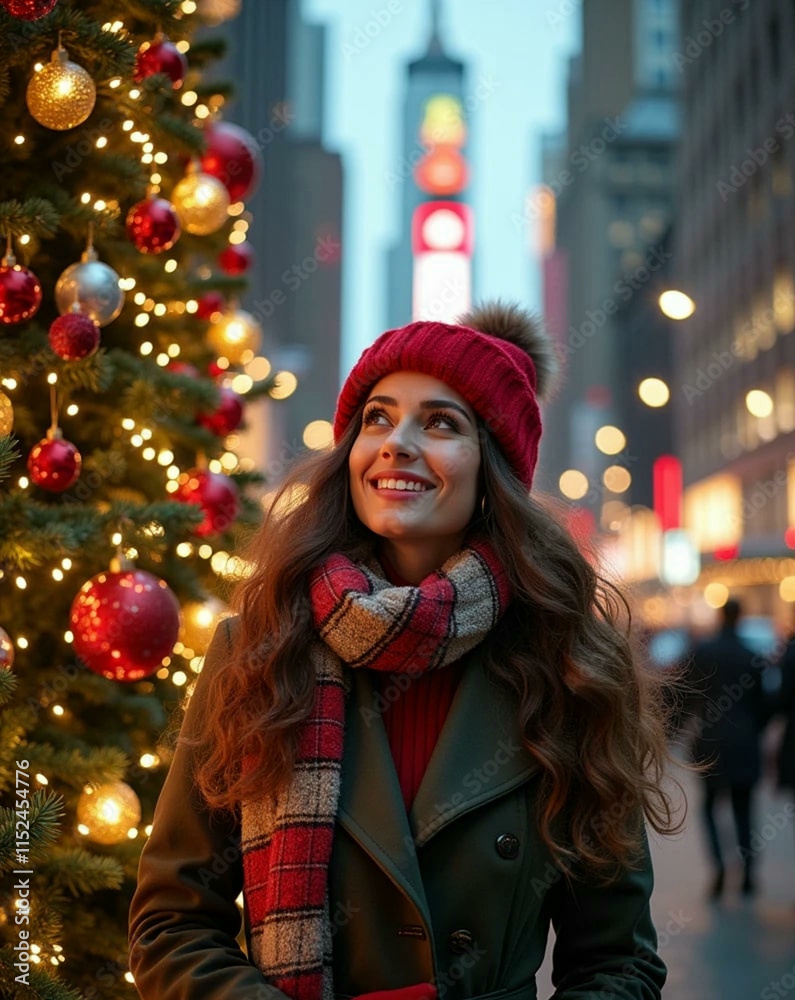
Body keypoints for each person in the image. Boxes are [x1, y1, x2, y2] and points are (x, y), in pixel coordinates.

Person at [128, 302, 680, 1000]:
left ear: (493, 469)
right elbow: (171, 924)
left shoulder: (568, 665)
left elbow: (616, 964)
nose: (395, 443)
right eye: (376, 418)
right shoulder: (258, 649)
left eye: (441, 423)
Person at [685, 598, 766, 898]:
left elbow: (687, 695)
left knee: (708, 806)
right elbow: (764, 705)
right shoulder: (752, 656)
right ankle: (747, 872)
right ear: (741, 616)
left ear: (721, 616)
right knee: (744, 808)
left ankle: (719, 865)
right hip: (744, 743)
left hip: (710, 741)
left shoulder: (704, 652)